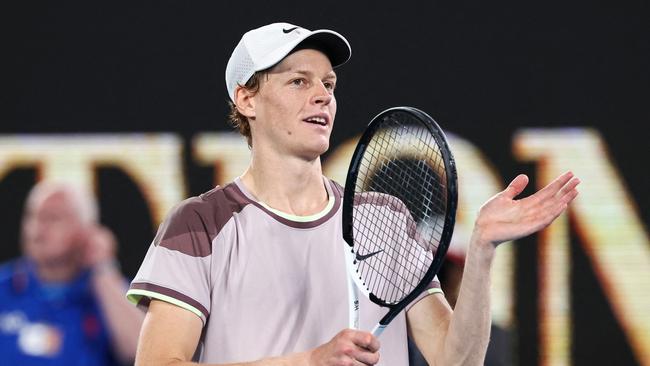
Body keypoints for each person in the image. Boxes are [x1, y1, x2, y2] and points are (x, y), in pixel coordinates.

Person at [127, 22, 580, 365]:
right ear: (247, 100)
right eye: (298, 81)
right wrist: (309, 361)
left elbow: (454, 359)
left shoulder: (383, 219)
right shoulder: (201, 224)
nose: (322, 96)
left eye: (328, 84)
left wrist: (481, 250)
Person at [0, 182, 144, 365]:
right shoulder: (4, 288)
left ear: (87, 230)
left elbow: (143, 353)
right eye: (32, 216)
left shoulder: (109, 294)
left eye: (52, 218)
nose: (37, 229)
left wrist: (103, 269)